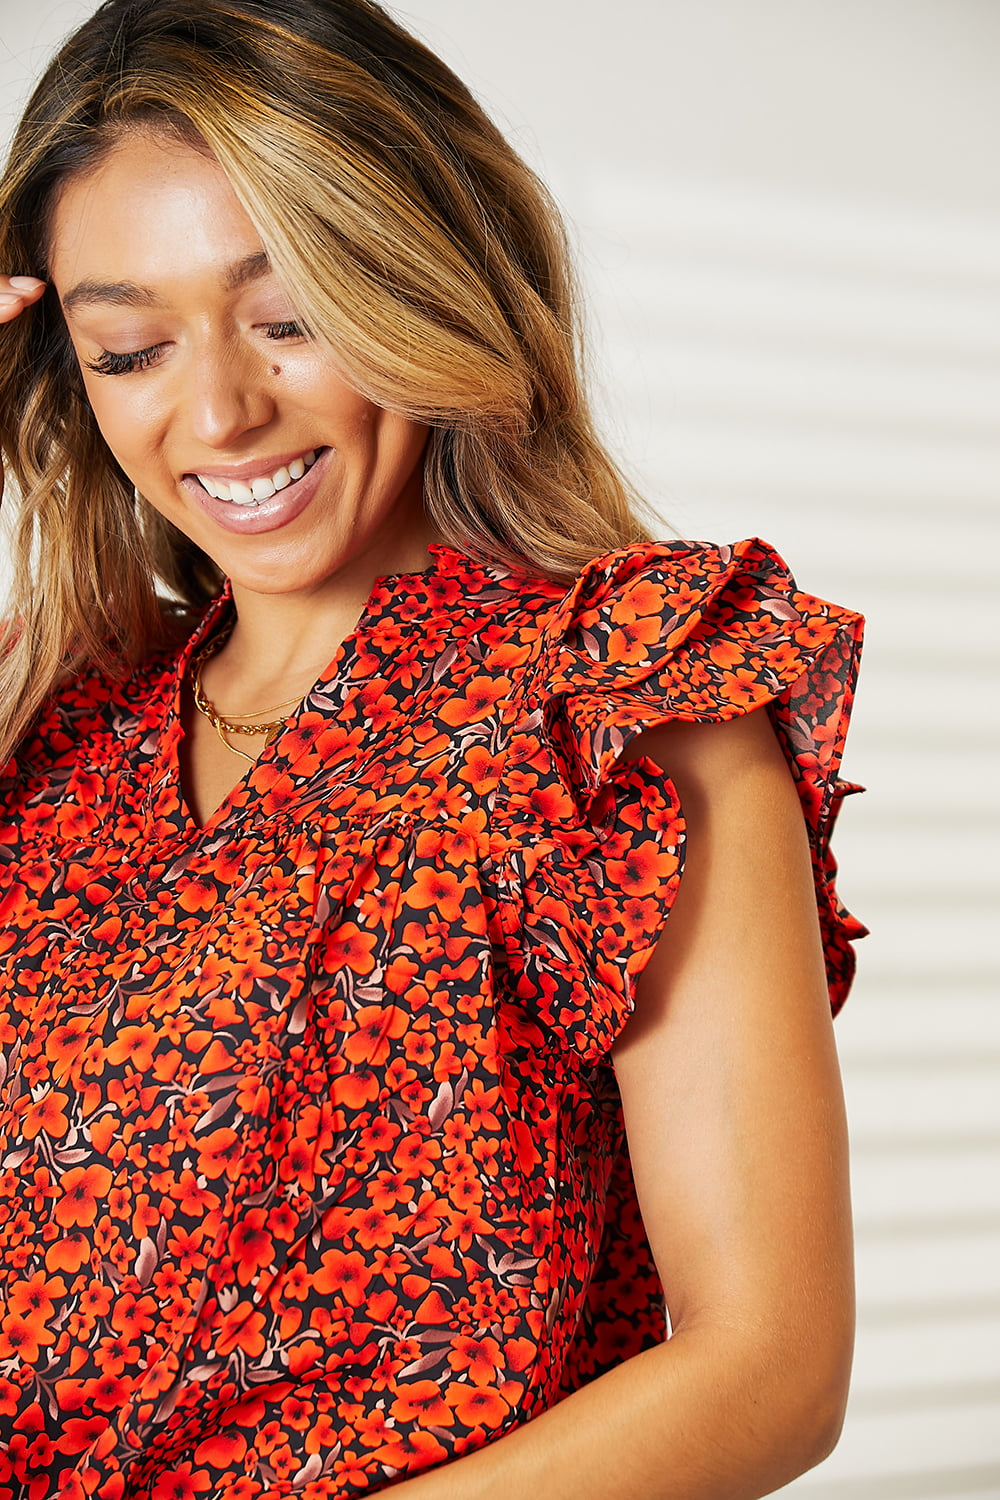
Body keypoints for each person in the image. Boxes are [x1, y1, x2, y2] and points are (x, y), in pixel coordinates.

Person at [0, 1, 866, 1495]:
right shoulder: (56, 728)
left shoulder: (613, 701)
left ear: (423, 285)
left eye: (291, 318)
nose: (218, 409)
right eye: (130, 348)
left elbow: (766, 1366)